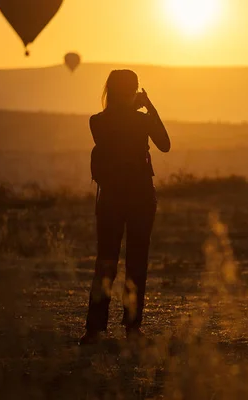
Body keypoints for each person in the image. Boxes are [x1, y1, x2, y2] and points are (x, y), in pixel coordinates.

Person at [80, 70, 171, 345]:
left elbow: (112, 130)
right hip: (141, 198)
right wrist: (149, 105)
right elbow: (165, 145)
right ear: (134, 90)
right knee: (136, 263)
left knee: (105, 262)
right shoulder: (141, 121)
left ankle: (95, 329)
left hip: (110, 199)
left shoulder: (97, 121)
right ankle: (132, 327)